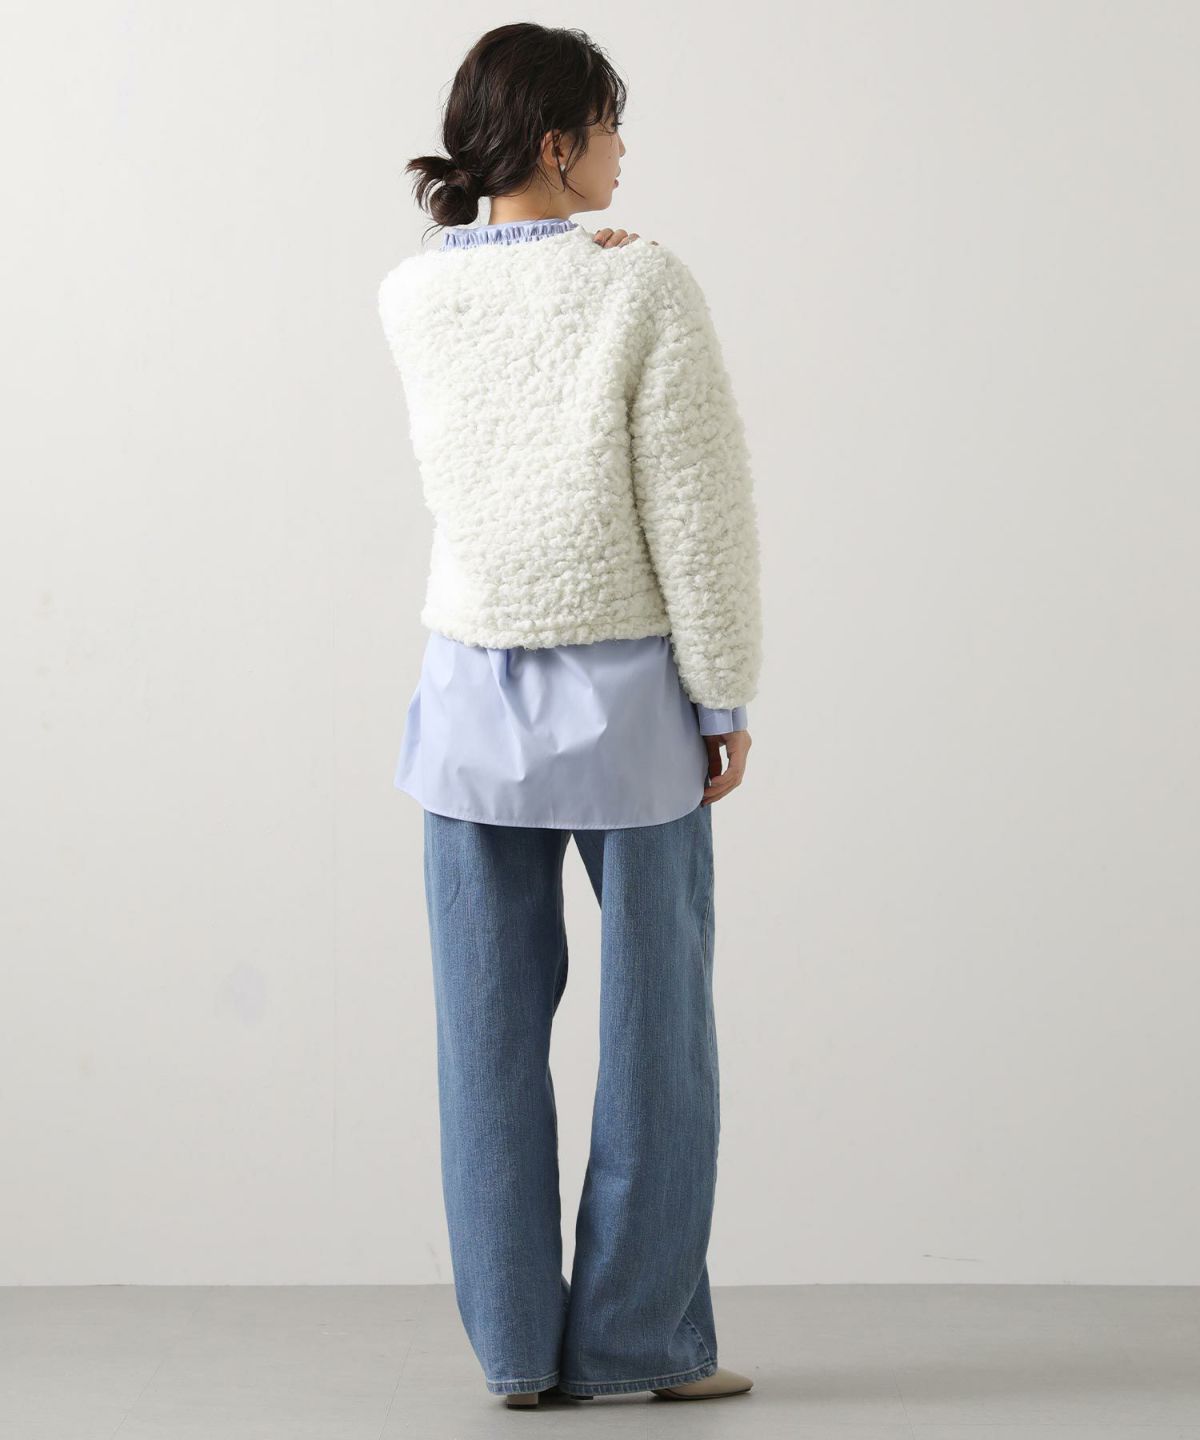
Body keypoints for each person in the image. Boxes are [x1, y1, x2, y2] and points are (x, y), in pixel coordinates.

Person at [376, 22, 763, 1408]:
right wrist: (723, 690)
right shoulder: (640, 280)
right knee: (657, 1041)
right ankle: (634, 1344)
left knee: (483, 1043)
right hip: (628, 707)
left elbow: (490, 331)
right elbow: (698, 509)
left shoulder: (413, 295)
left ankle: (515, 1354)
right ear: (557, 141)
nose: (622, 151)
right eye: (607, 126)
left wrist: (546, 251)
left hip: (467, 701)